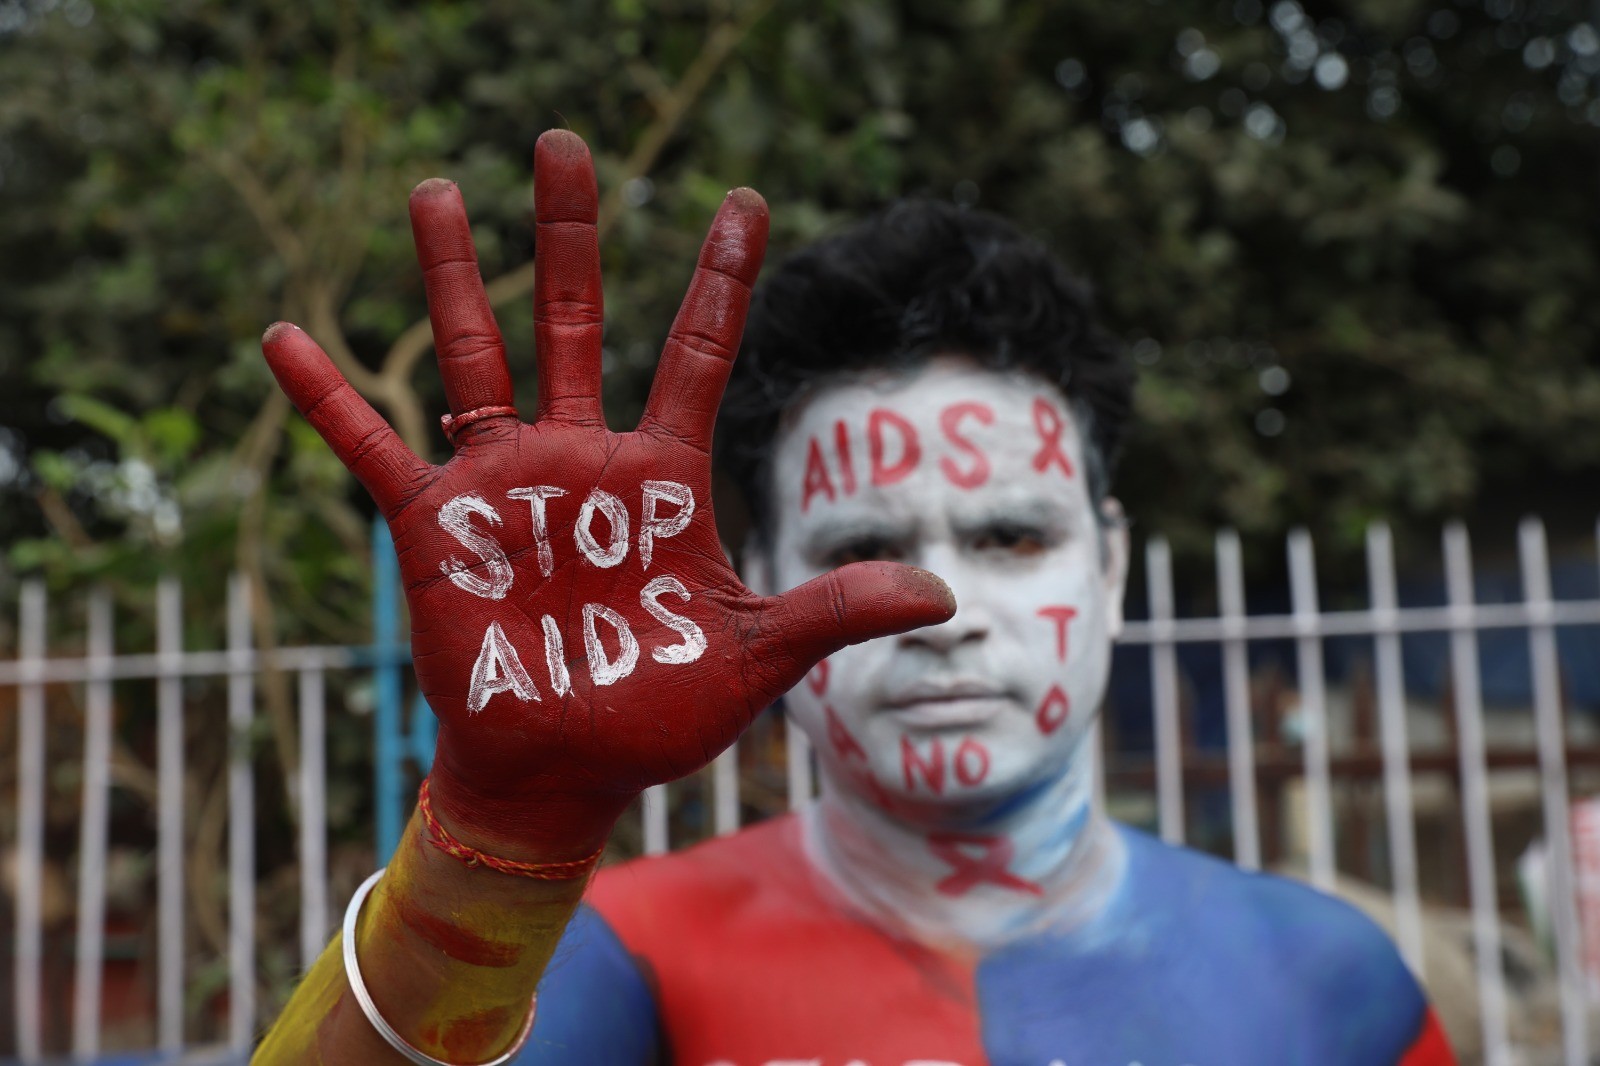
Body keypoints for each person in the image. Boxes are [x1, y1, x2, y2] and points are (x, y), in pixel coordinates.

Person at [253, 129, 1454, 1066]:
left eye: (1010, 535)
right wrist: (489, 847)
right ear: (758, 577)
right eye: (864, 546)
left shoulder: (1327, 977)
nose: (937, 606)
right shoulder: (616, 966)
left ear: (1113, 564)